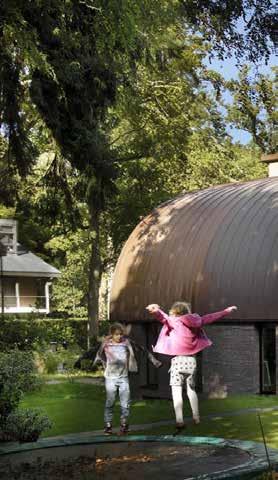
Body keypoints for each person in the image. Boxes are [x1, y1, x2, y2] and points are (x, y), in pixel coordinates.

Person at [146, 301, 237, 434]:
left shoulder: (175, 321)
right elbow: (210, 317)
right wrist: (226, 311)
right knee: (191, 389)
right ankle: (196, 417)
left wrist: (155, 311)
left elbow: (163, 317)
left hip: (178, 361)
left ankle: (179, 420)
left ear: (175, 312)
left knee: (176, 391)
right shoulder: (196, 321)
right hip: (191, 361)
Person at [94, 323, 138, 435]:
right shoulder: (107, 344)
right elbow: (99, 354)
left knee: (125, 403)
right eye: (116, 334)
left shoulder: (125, 343)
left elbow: (132, 354)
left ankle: (124, 424)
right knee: (110, 402)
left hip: (123, 377)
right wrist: (103, 365)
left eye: (120, 334)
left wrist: (131, 366)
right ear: (112, 334)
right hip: (110, 378)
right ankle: (108, 425)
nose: (119, 336)